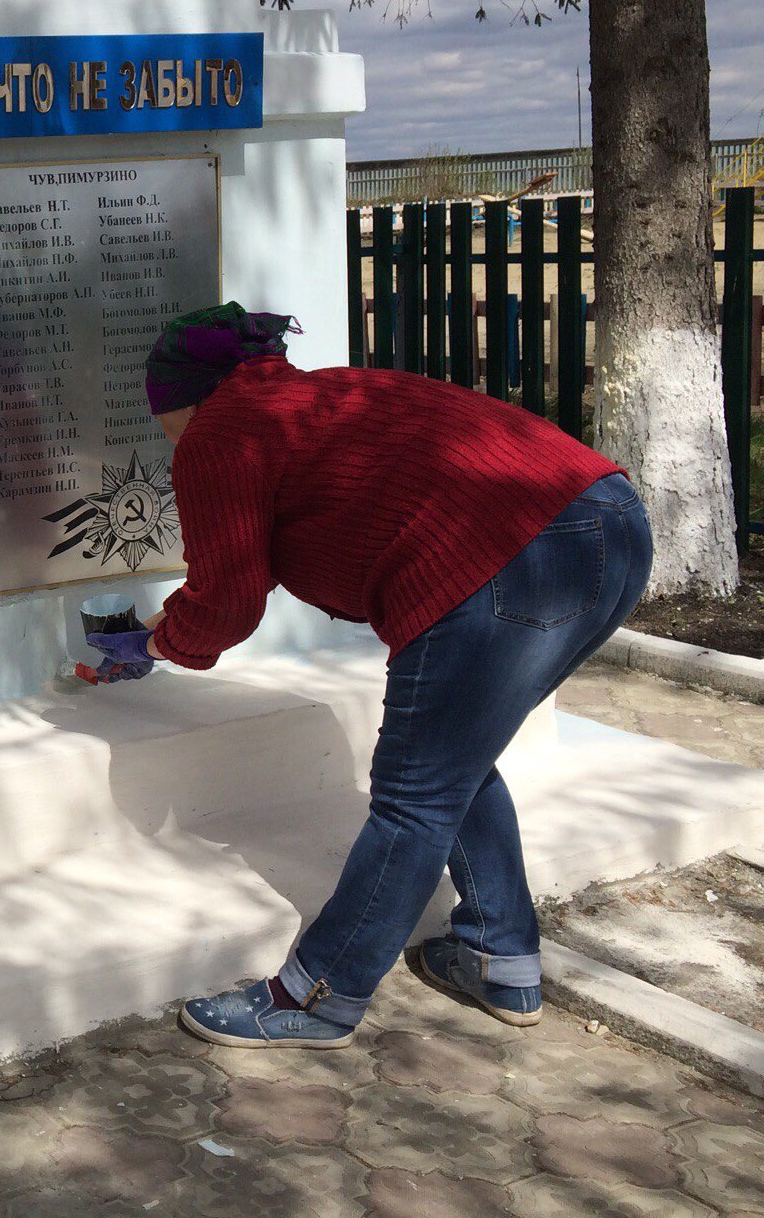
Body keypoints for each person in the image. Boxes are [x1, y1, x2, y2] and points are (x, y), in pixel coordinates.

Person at [86, 303, 650, 1048]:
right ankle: (498, 957)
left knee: (413, 797)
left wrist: (151, 647)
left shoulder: (220, 432)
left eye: (161, 417)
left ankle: (317, 994)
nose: (164, 435)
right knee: (453, 759)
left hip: (502, 559)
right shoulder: (313, 396)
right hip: (610, 520)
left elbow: (226, 601)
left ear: (181, 398)